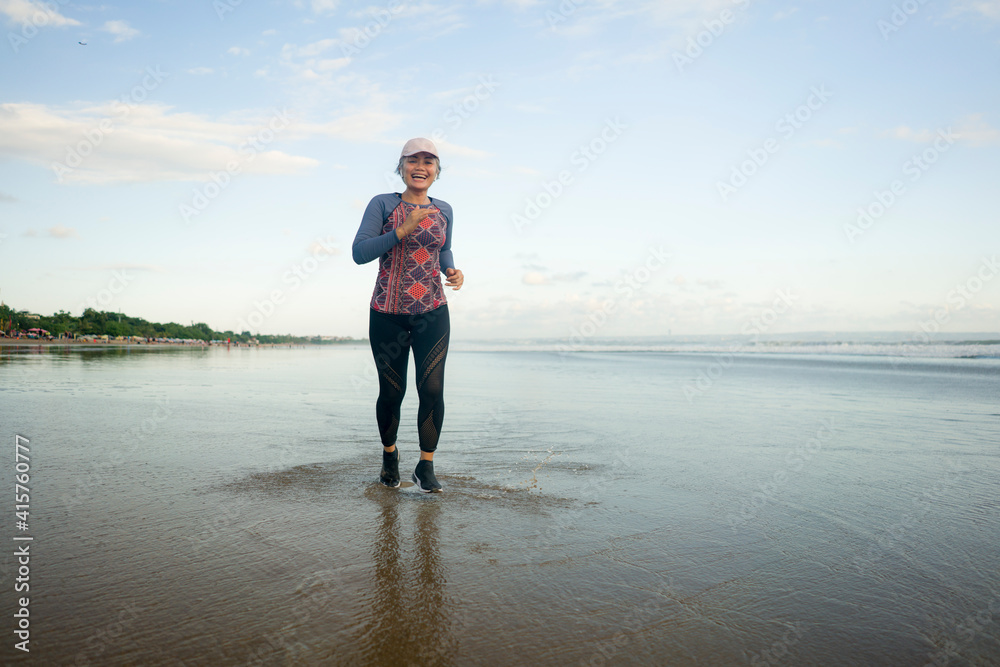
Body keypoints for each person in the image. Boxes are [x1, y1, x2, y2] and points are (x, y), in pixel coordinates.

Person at [352, 138, 464, 493]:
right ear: (400, 167)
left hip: (432, 310)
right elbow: (359, 253)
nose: (421, 166)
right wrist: (401, 229)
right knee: (392, 390)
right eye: (413, 160)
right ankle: (389, 456)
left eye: (429, 161)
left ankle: (426, 465)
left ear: (437, 171)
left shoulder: (444, 209)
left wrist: (451, 270)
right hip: (387, 311)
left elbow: (443, 249)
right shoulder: (383, 204)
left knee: (431, 387)